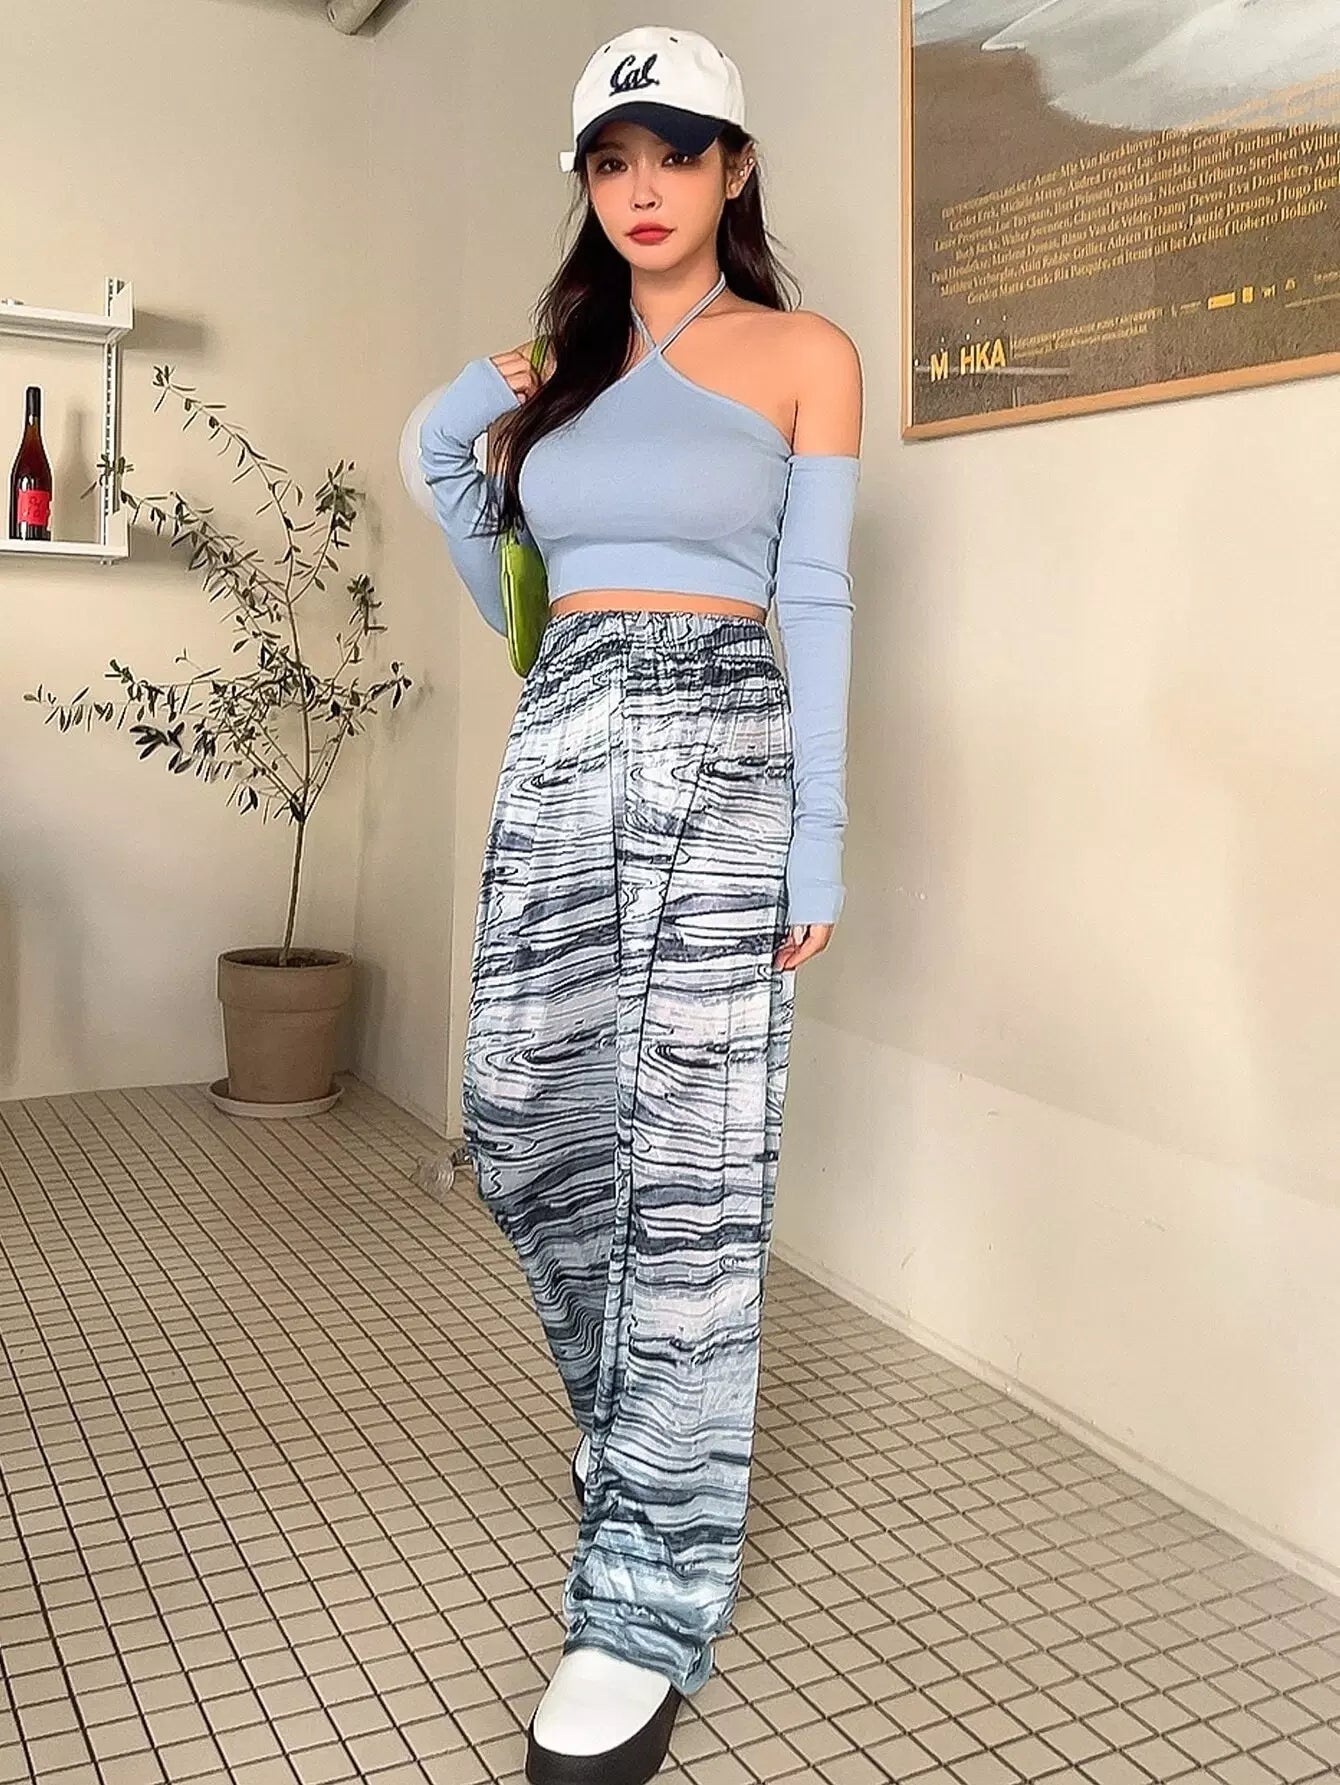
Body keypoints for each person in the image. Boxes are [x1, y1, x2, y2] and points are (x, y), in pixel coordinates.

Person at [408, 25, 862, 1785]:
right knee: (521, 1113)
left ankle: (644, 1595)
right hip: (566, 730)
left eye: (677, 152)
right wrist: (510, 373)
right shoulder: (567, 372)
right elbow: (458, 486)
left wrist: (817, 834)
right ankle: (641, 1437)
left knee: (690, 1171)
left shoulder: (804, 354)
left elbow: (814, 599)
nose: (645, 188)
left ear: (735, 170)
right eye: (613, 160)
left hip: (728, 751)